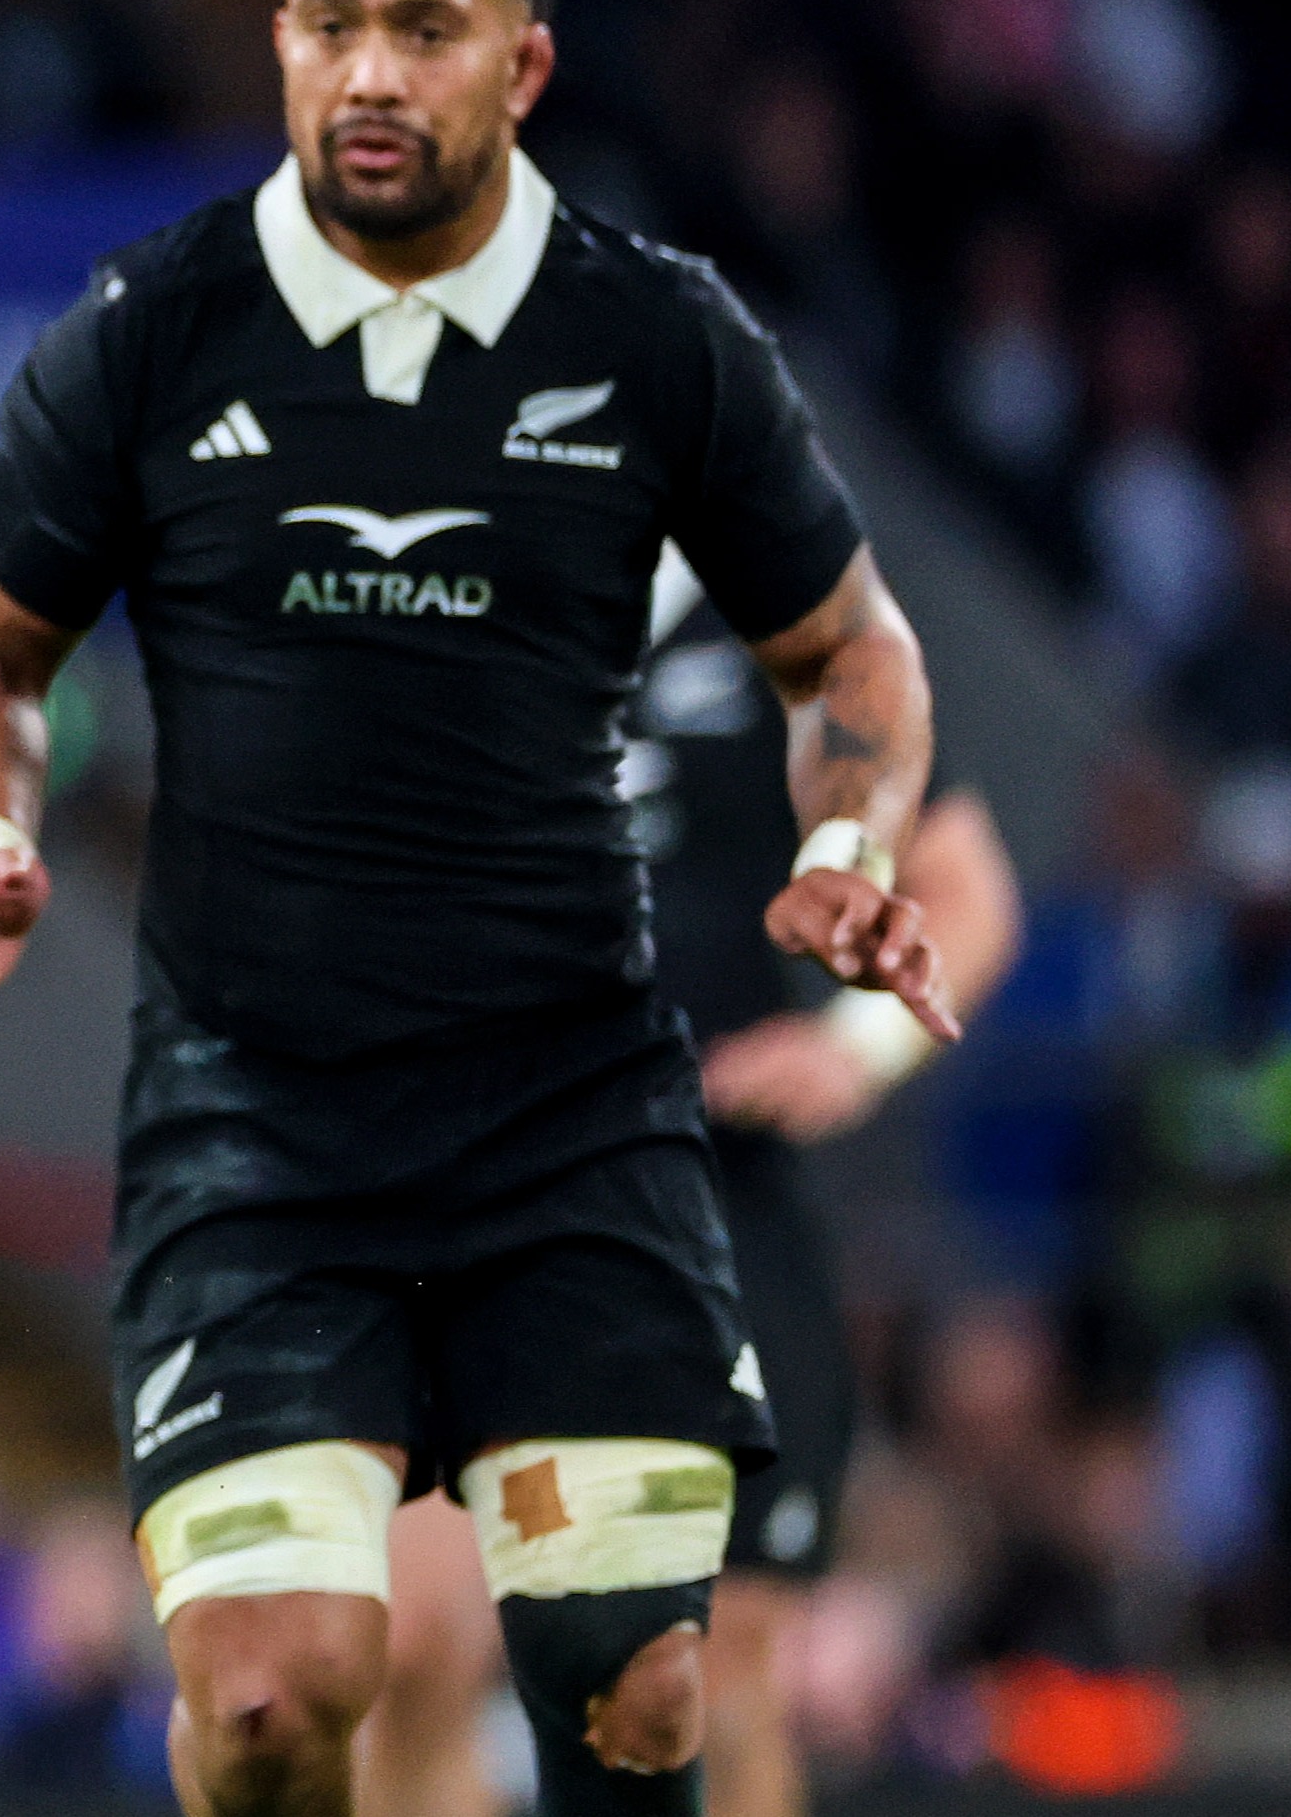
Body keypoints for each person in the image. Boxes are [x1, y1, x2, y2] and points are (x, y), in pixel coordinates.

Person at [0, 0, 956, 1817]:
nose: (368, 71)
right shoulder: (155, 326)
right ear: (280, 44)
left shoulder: (656, 337)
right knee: (277, 1693)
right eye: (327, 25)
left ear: (522, 65)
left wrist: (851, 841)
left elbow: (858, 659)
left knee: (643, 1681)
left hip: (572, 1125)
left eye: (421, 27)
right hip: (257, 1127)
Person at [353, 570, 1025, 1817]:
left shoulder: (798, 633)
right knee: (404, 1652)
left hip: (713, 1202)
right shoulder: (443, 596)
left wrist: (855, 1046)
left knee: (716, 1671)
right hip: (470, 1202)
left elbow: (966, 884)